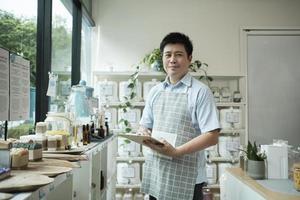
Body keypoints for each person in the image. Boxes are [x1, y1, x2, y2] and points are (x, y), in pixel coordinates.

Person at [138, 32, 220, 200]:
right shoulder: (155, 91)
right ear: (163, 58)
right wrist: (143, 133)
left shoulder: (200, 91)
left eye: (179, 54)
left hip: (189, 177)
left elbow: (212, 136)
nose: (172, 59)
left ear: (189, 58)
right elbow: (144, 125)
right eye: (168, 55)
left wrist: (176, 152)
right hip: (157, 172)